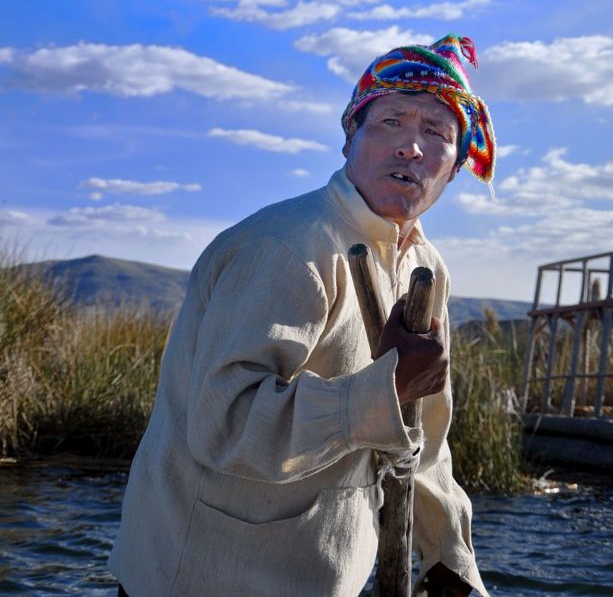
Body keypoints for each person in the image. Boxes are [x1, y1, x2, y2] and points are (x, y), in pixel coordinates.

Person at [109, 33, 496, 597]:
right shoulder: (287, 248)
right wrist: (380, 392)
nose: (411, 146)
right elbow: (226, 425)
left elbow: (424, 436)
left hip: (322, 578)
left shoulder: (425, 268)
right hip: (201, 578)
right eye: (390, 122)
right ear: (350, 138)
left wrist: (448, 556)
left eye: (436, 131)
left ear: (456, 167)